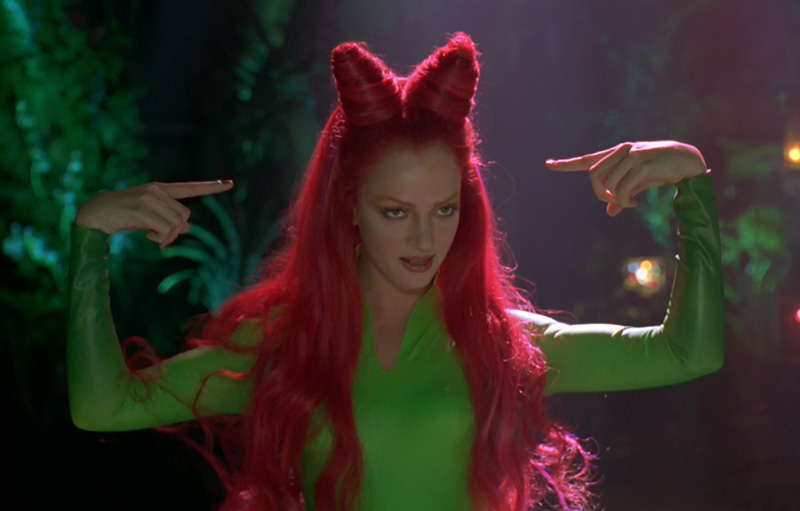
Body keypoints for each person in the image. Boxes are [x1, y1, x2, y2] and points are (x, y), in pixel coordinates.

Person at [67, 33, 723, 511]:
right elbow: (105, 406)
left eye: (444, 209)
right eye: (395, 211)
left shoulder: (500, 343)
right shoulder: (285, 343)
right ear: (350, 205)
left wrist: (691, 182)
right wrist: (90, 239)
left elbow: (688, 351)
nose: (423, 238)